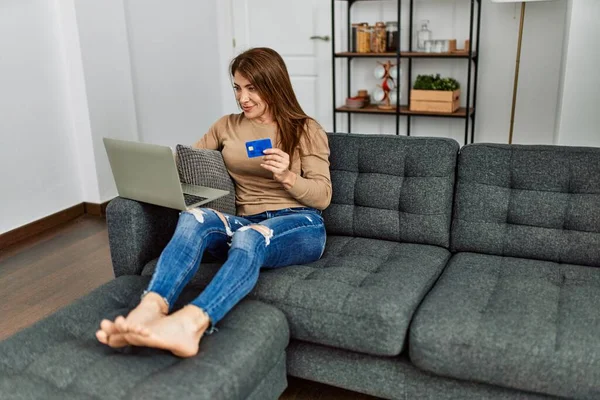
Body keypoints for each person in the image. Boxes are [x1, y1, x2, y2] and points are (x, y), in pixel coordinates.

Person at [95, 47, 332, 358]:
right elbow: (188, 161)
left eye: (252, 88)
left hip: (301, 224)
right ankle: (150, 308)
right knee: (194, 218)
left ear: (274, 85)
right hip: (247, 221)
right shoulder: (227, 125)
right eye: (237, 87)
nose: (242, 98)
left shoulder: (305, 128)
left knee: (250, 236)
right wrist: (158, 175)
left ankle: (191, 324)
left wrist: (288, 175)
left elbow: (323, 196)